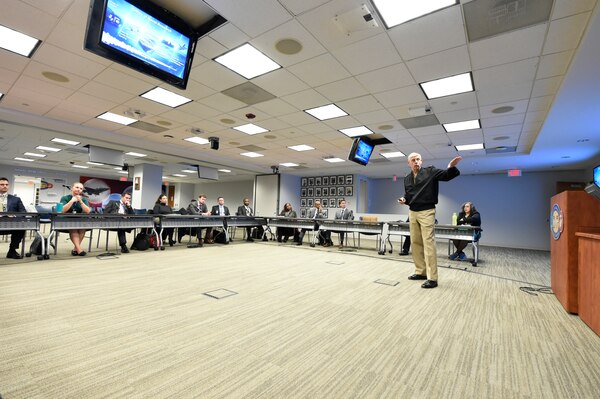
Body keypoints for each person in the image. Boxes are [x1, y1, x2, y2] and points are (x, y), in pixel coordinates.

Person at [398, 153, 462, 289]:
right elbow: (409, 195)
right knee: (415, 242)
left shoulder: (430, 171)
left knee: (428, 243)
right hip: (412, 212)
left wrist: (451, 167)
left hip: (427, 211)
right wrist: (404, 199)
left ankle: (432, 278)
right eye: (413, 160)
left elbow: (446, 175)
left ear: (421, 161)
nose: (416, 162)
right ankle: (420, 271)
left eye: (418, 159)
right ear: (408, 163)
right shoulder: (407, 178)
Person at [60, 182, 91, 256]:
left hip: (79, 220)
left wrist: (80, 201)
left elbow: (87, 211)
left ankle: (75, 249)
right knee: (73, 228)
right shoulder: (65, 198)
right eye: (77, 187)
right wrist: (72, 201)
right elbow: (62, 210)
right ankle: (79, 250)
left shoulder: (83, 199)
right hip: (67, 219)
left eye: (81, 188)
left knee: (82, 229)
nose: (79, 189)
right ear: (72, 188)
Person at [0, 177, 27, 259]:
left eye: (6, 184)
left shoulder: (16, 199)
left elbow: (23, 212)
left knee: (21, 227)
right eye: (2, 184)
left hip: (10, 223)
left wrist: (14, 216)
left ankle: (12, 251)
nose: (5, 186)